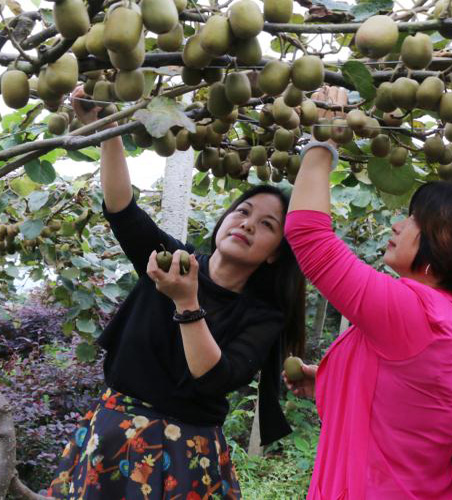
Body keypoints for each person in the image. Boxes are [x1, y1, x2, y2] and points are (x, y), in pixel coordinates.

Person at [46, 88, 306, 499]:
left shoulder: (263, 315)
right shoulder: (173, 260)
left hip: (188, 453)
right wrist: (108, 127)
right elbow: (122, 210)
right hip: (115, 434)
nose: (249, 224)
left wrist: (187, 302)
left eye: (268, 225)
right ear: (224, 220)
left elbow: (215, 378)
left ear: (275, 254)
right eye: (243, 211)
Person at [283, 87, 452, 499]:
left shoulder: (418, 313)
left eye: (414, 220)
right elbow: (411, 409)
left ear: (443, 247)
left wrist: (322, 142)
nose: (398, 225)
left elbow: (308, 236)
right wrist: (326, 381)